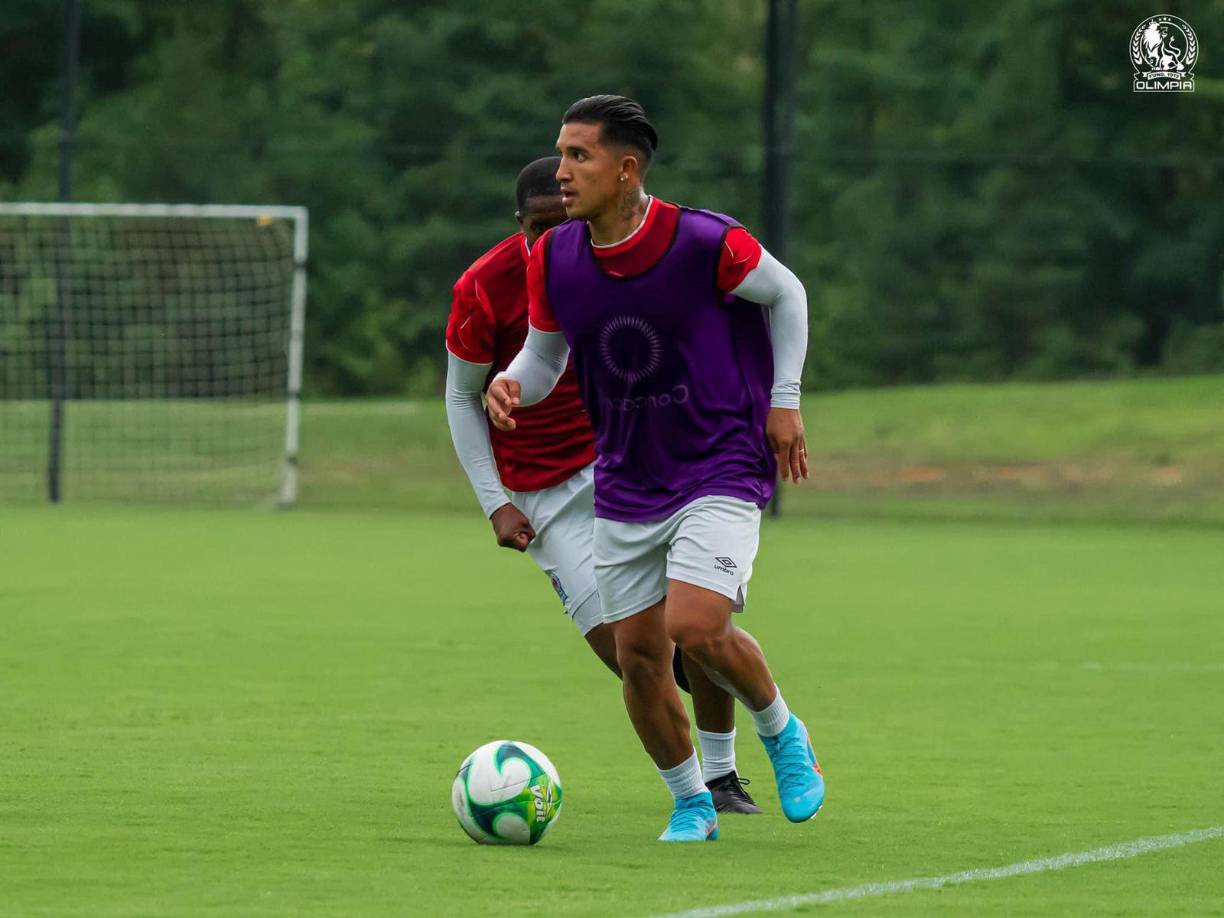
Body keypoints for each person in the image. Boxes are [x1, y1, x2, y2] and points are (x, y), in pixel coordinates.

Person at [487, 97, 825, 842]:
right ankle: (691, 803)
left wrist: (786, 400)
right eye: (562, 154)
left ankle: (781, 733)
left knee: (697, 626)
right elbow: (545, 357)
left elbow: (788, 293)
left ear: (626, 168)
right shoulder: (555, 257)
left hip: (720, 459)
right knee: (640, 658)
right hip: (628, 475)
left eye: (580, 157)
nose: (564, 173)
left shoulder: (703, 240)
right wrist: (513, 380)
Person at [444, 155, 759, 814]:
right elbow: (459, 398)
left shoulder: (621, 264)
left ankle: (722, 779)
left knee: (693, 622)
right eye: (537, 227)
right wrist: (495, 503)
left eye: (562, 223)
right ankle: (697, 778)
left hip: (632, 467)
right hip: (545, 496)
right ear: (518, 225)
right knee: (633, 656)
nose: (549, 240)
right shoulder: (481, 287)